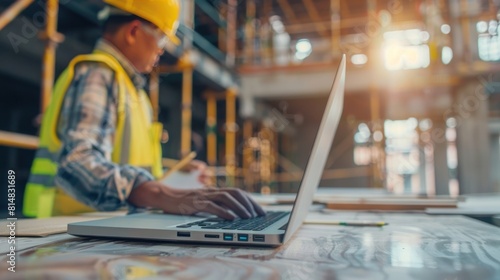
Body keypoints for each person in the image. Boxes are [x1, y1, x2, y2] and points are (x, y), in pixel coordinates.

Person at [23, 0, 265, 220]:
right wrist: (160, 193)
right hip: (64, 233)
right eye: (162, 39)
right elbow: (78, 163)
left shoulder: (133, 89)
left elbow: (126, 162)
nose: (163, 50)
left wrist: (178, 175)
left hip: (108, 227)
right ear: (134, 31)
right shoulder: (98, 75)